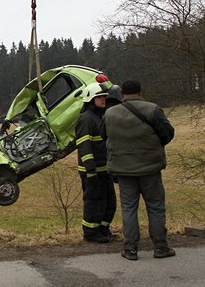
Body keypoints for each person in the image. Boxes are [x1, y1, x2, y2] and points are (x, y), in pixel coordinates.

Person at [101, 80, 175, 261]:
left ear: (122, 94)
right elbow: (168, 133)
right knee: (156, 207)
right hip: (150, 168)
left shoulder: (110, 113)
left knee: (129, 208)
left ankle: (131, 249)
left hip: (124, 169)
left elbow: (103, 135)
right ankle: (160, 247)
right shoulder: (153, 110)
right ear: (140, 92)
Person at [75, 82, 116, 243]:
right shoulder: (86, 119)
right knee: (94, 202)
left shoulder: (100, 116)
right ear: (90, 99)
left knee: (109, 201)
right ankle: (91, 233)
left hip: (104, 169)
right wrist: (90, 170)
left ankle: (103, 229)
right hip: (92, 171)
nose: (103, 100)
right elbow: (84, 147)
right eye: (99, 97)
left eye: (104, 97)